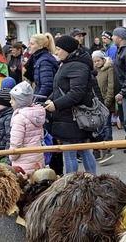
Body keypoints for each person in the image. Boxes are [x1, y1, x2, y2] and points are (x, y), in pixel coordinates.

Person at [45, 35, 99, 175]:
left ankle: (71, 184)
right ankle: (93, 180)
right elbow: (60, 88)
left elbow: (77, 93)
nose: (56, 52)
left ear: (67, 50)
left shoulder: (76, 65)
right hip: (69, 115)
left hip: (73, 117)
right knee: (84, 150)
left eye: (58, 49)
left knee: (70, 153)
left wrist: (56, 105)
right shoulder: (68, 63)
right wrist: (50, 100)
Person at [9, 81, 46, 176]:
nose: (10, 101)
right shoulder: (36, 114)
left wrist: (12, 157)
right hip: (37, 157)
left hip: (23, 162)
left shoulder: (19, 118)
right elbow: (41, 137)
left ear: (20, 101)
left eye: (12, 99)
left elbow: (16, 143)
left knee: (24, 186)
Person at [92, 50, 115, 163]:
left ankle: (107, 148)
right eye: (95, 61)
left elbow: (111, 86)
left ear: (103, 59)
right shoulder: (94, 71)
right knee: (98, 126)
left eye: (98, 60)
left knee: (106, 126)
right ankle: (98, 149)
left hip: (105, 103)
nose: (97, 63)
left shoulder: (109, 69)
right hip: (96, 104)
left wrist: (107, 102)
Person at [24, 33, 58, 101]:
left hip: (46, 102)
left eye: (32, 44)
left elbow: (47, 86)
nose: (29, 46)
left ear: (40, 46)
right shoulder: (38, 59)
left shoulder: (44, 62)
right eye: (29, 43)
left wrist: (36, 101)